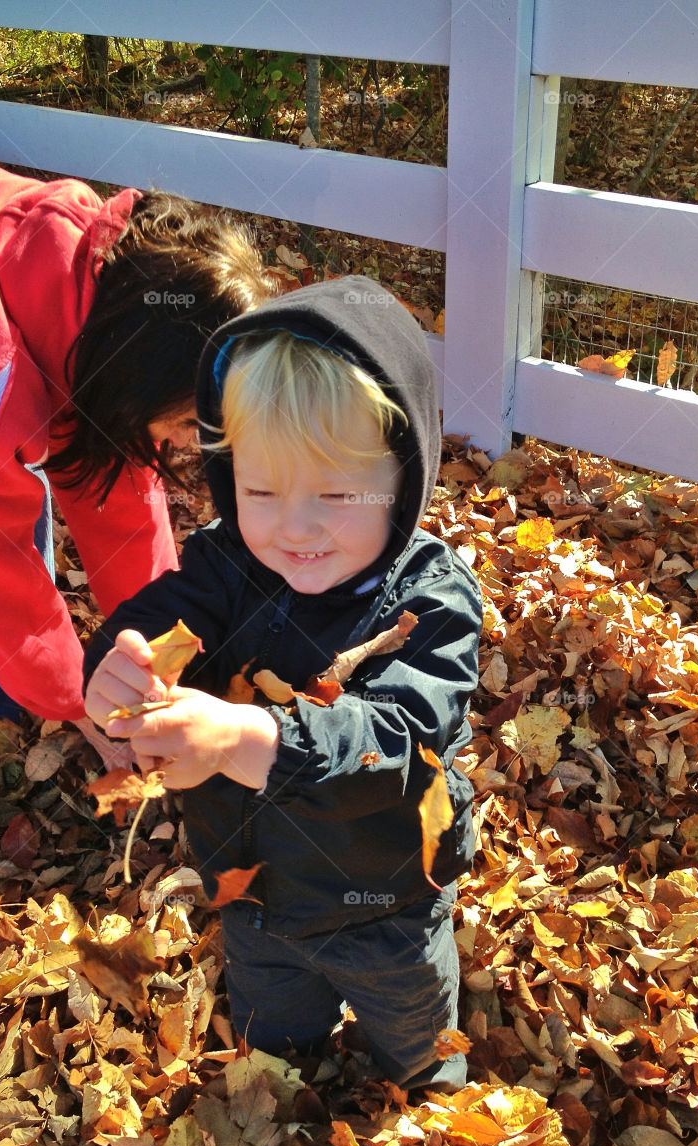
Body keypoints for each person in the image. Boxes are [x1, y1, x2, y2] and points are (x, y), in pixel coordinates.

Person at [83, 276, 483, 1091]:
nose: (295, 527)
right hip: (255, 896)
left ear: (402, 478)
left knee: (415, 1046)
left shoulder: (429, 598)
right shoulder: (229, 563)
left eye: (336, 494)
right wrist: (113, 670)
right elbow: (146, 624)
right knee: (275, 1042)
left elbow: (399, 743)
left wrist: (247, 737)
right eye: (261, 491)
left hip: (389, 904)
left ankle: (423, 1103)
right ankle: (285, 1083)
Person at [0, 146, 272, 758]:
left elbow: (115, 486)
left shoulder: (102, 281)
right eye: (192, 419)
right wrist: (82, 697)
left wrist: (160, 646)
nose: (192, 440)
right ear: (148, 376)